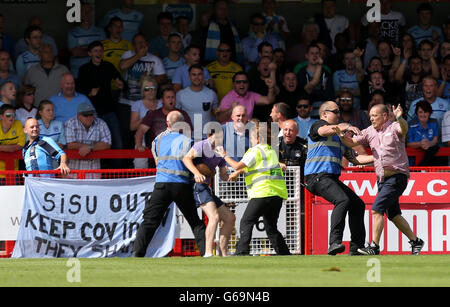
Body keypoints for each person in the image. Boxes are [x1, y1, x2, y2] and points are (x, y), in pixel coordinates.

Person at [337, 104, 425, 255]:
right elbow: (351, 143)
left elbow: (404, 129)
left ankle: (374, 246)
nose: (371, 118)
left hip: (397, 177)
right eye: (370, 116)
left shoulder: (395, 127)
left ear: (384, 116)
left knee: (376, 210)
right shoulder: (369, 131)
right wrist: (340, 135)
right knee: (394, 215)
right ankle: (416, 241)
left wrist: (399, 117)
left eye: (374, 115)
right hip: (382, 180)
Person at [132, 111, 206, 257]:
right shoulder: (188, 141)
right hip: (181, 186)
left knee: (149, 222)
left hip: (162, 185)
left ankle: (137, 254)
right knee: (195, 222)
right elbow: (194, 165)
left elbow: (157, 163)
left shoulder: (157, 141)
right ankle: (206, 253)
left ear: (167, 124)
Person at [304, 101, 373, 255]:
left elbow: (356, 160)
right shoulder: (317, 126)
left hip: (329, 178)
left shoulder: (339, 137)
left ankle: (357, 248)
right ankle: (334, 243)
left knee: (357, 205)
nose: (338, 114)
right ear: (324, 114)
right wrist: (346, 126)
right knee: (343, 200)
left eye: (339, 111)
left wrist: (379, 157)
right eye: (335, 111)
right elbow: (322, 131)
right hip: (316, 177)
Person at [217, 119, 291, 256]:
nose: (250, 140)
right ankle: (285, 254)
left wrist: (224, 155)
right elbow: (257, 167)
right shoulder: (270, 151)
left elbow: (237, 165)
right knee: (271, 227)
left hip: (262, 193)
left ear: (258, 138)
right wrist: (238, 173)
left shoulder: (255, 150)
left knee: (246, 221)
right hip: (277, 195)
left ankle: (242, 251)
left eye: (251, 137)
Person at [183, 130, 236, 257]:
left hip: (206, 187)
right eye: (216, 136)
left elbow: (223, 176)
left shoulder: (220, 152)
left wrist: (231, 176)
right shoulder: (202, 145)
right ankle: (208, 252)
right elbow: (186, 158)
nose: (219, 140)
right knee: (214, 217)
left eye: (221, 137)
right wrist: (196, 173)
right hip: (197, 185)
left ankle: (223, 251)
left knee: (230, 218)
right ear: (209, 136)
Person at [77, 41, 124, 154]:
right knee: (94, 144)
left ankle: (116, 171)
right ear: (89, 53)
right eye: (95, 51)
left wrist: (120, 84)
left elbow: (120, 81)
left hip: (109, 110)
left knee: (118, 143)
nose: (99, 53)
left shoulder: (108, 66)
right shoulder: (84, 69)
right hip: (92, 113)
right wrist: (89, 92)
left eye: (100, 50)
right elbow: (78, 89)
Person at [135, 87, 192, 163]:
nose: (171, 100)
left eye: (173, 97)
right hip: (157, 155)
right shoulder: (153, 114)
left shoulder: (182, 114)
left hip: (177, 155)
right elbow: (141, 130)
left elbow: (189, 132)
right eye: (168, 97)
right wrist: (139, 145)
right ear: (162, 100)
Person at [64, 102, 111, 177]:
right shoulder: (70, 123)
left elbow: (107, 144)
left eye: (91, 114)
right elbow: (70, 145)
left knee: (94, 188)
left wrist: (90, 147)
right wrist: (94, 146)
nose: (89, 117)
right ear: (78, 115)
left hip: (94, 170)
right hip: (73, 169)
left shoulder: (101, 123)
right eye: (86, 115)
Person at [119, 33, 167, 106]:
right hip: (127, 101)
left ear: (147, 43)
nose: (141, 44)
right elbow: (122, 66)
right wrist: (139, 55)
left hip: (147, 102)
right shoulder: (128, 54)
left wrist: (149, 79)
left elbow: (162, 78)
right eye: (138, 43)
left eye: (143, 41)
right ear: (133, 46)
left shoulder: (155, 59)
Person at [67, 3, 106, 79]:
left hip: (96, 73)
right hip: (77, 74)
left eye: (88, 11)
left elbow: (104, 50)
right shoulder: (72, 33)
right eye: (83, 11)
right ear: (79, 14)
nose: (86, 13)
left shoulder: (100, 31)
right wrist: (94, 49)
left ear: (92, 13)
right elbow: (75, 53)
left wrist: (84, 48)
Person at [176, 64, 219, 130]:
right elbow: (175, 116)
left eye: (199, 74)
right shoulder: (180, 94)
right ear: (189, 76)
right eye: (194, 74)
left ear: (203, 76)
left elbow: (217, 115)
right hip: (186, 136)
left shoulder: (212, 94)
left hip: (206, 136)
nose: (197, 77)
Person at [296, 43, 334, 118]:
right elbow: (308, 90)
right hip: (306, 113)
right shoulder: (301, 72)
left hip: (324, 112)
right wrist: (319, 65)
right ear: (306, 56)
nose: (315, 55)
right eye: (312, 53)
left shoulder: (325, 72)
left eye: (317, 53)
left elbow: (330, 94)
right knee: (269, 126)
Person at [201, 0, 244, 65]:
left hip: (232, 62)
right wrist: (214, 11)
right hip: (214, 63)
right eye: (220, 9)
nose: (223, 11)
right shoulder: (210, 24)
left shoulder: (232, 25)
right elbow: (204, 17)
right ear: (214, 10)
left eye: (225, 9)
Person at [407, 100, 440, 166]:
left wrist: (430, 144)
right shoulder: (411, 124)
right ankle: (419, 168)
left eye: (425, 112)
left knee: (435, 148)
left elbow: (435, 139)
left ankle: (421, 167)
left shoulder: (434, 122)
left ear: (430, 113)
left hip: (432, 156)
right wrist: (420, 144)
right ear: (417, 113)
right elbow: (408, 144)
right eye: (420, 112)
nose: (423, 114)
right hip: (413, 158)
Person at [0, 104, 26, 172]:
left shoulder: (18, 124)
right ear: (1, 116)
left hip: (14, 170)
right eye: (8, 115)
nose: (11, 117)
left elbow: (21, 144)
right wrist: (13, 147)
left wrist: (2, 147)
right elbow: (17, 145)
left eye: (13, 115)